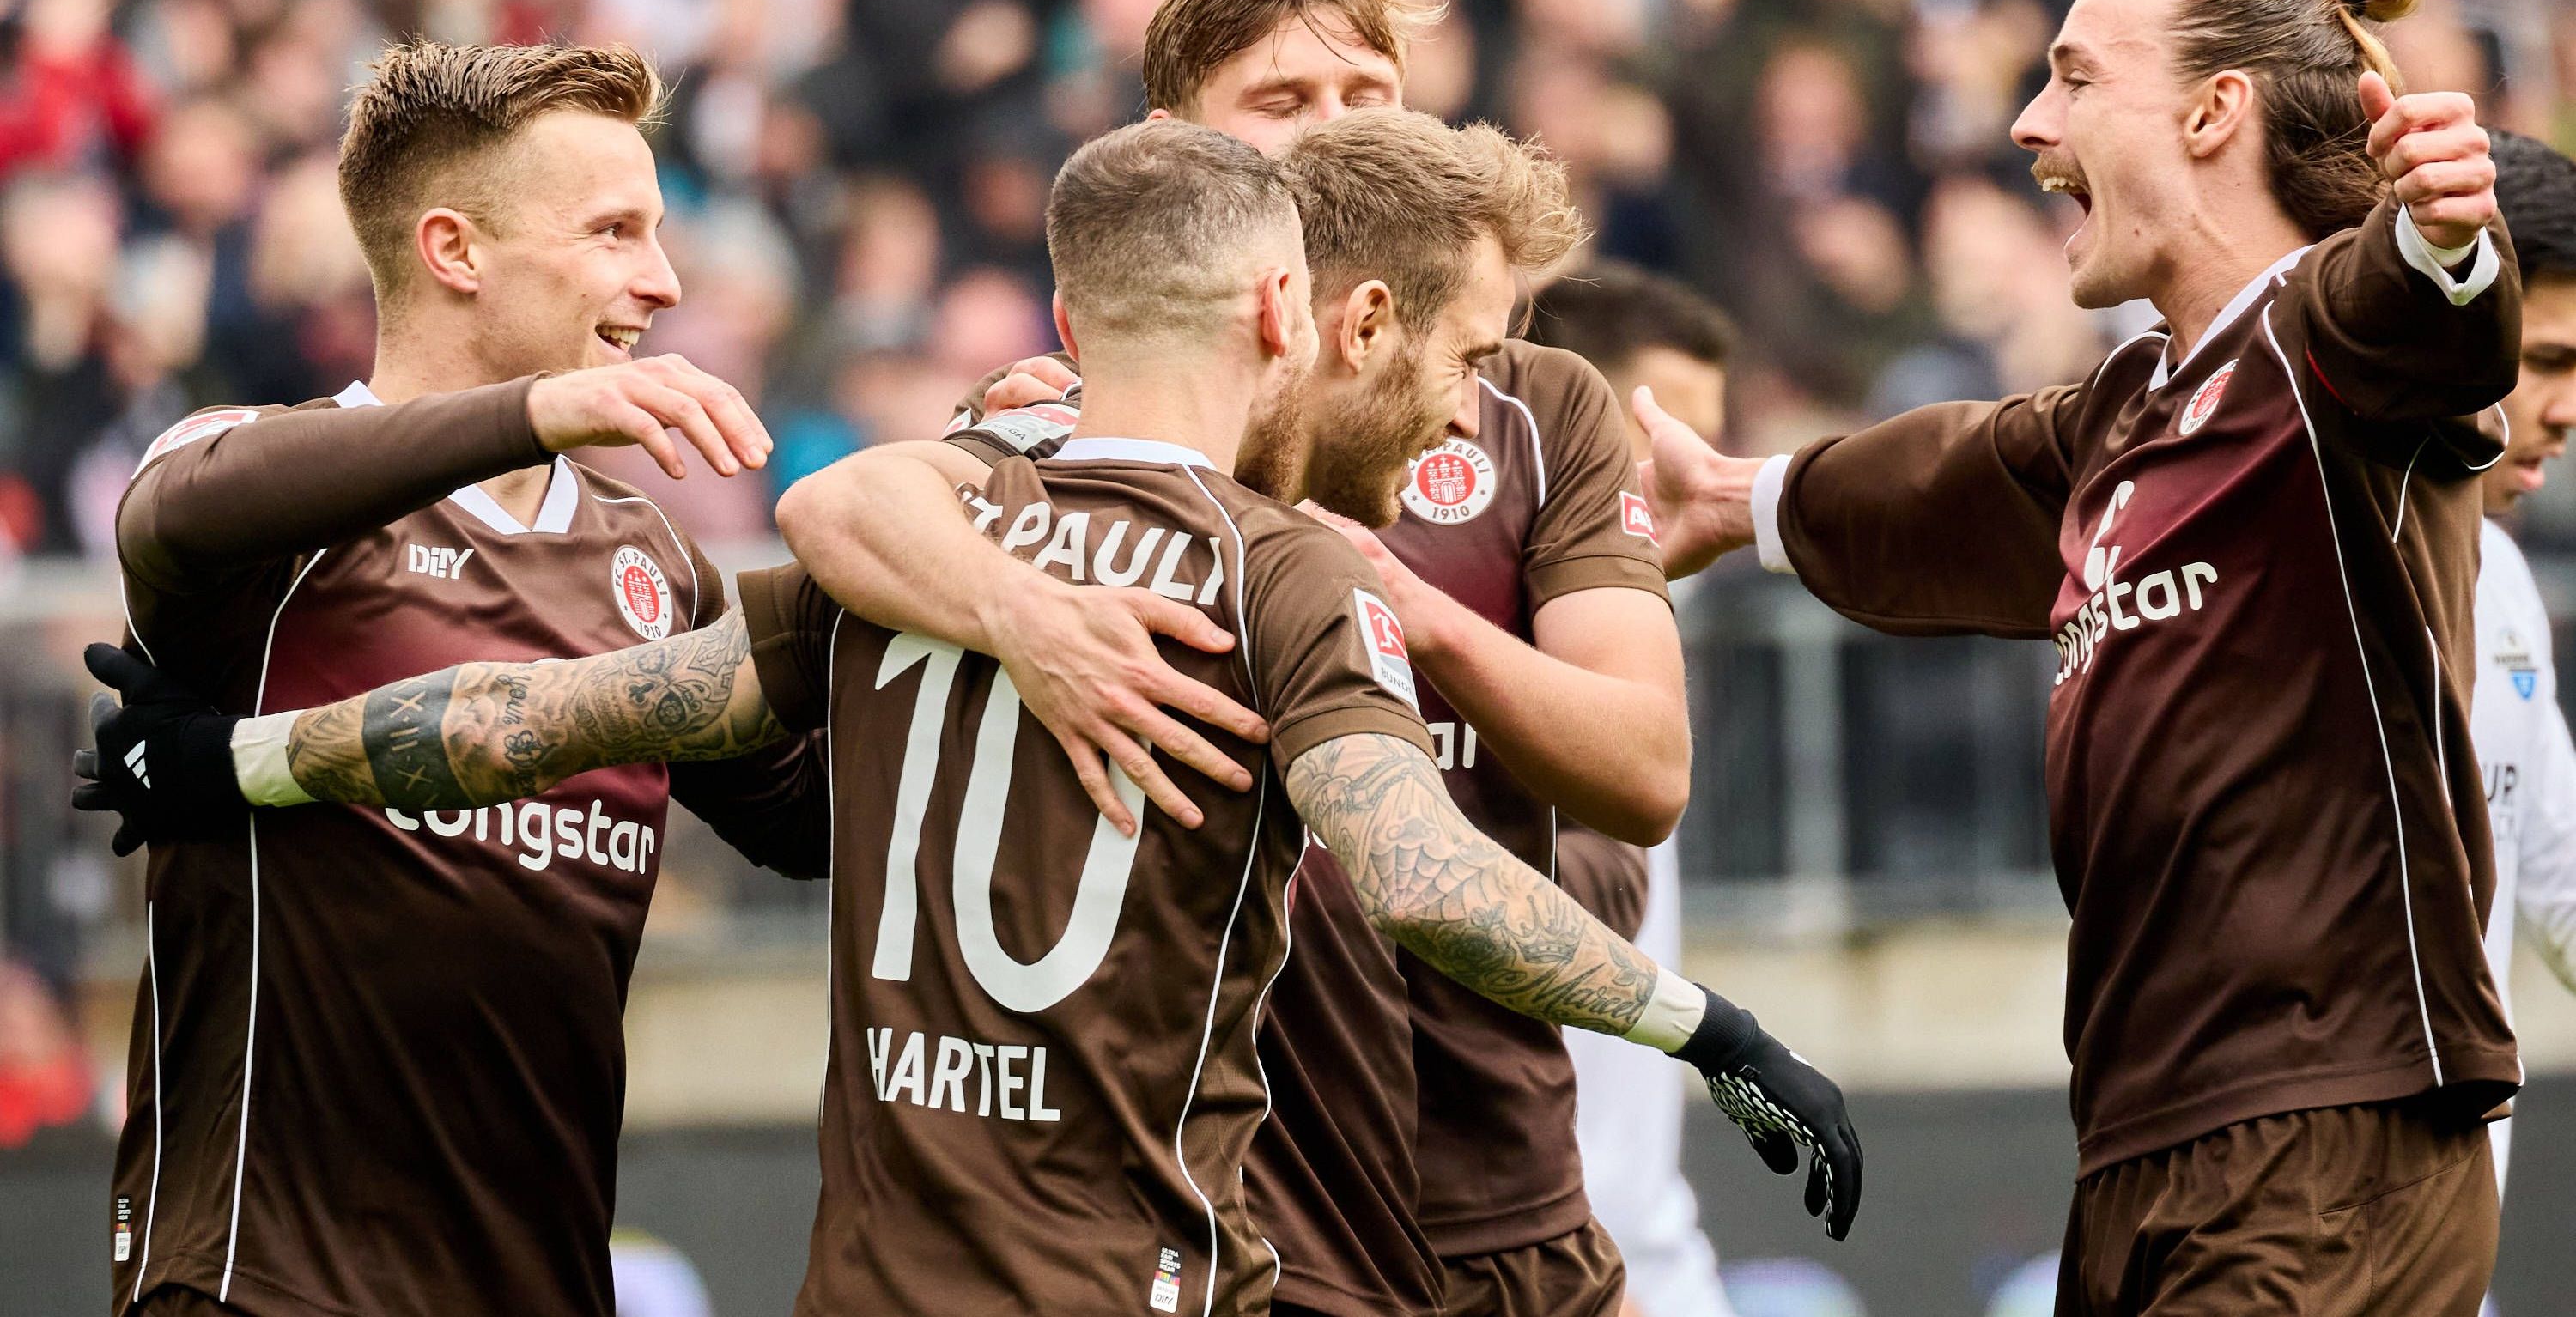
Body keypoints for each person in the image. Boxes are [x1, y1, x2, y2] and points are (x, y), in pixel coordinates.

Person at [77, 118, 1861, 1316]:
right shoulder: (1276, 575)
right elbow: (1423, 878)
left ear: (1072, 314)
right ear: (1278, 311)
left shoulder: (911, 530)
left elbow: (553, 712)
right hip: (1124, 1282)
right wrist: (1706, 1028)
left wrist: (242, 756)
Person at [784, 0, 1699, 1317]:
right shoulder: (1078, 421)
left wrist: (1412, 619)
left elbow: (1644, 772)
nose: (1331, 134)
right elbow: (838, 514)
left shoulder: (1528, 399)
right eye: (1282, 103)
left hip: (1504, 1167)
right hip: (1244, 1179)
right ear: (1178, 147)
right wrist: (1025, 611)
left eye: (1366, 95)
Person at [1634, 0, 2522, 1311]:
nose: (2028, 123)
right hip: (2139, 1143)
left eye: (2073, 79)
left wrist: (2444, 240)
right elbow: (1935, 480)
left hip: (2326, 1123)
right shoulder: (2131, 410)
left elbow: (2424, 315)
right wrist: (1732, 494)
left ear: (2212, 111)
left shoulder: (2326, 337)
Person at [85, 39, 810, 1317]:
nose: (664, 277)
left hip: (539, 1277)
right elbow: (172, 512)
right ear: (454, 251)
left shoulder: (649, 558)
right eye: (613, 231)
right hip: (270, 1274)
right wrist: (536, 409)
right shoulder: (264, 486)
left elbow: (806, 821)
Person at [1528, 264, 1739, 1317]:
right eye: (1652, 442)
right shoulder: (1471, 677)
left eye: (1710, 441)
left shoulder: (1641, 662)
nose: (1692, 476)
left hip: (1643, 1260)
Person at [2469, 130, 2576, 1210]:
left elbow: (2562, 886)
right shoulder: (2289, 553)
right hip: (2276, 1230)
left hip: (2439, 1236)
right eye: (2547, 361)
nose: (2572, 408)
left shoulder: (2500, 575)